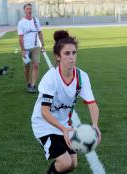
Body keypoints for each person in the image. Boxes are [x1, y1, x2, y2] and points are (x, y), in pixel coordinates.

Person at [31, 30, 101, 174]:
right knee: (65, 162)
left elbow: (92, 104)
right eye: (67, 53)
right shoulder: (51, 78)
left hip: (64, 125)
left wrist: (95, 125)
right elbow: (44, 112)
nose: (71, 57)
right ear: (58, 56)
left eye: (74, 53)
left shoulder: (82, 77)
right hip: (44, 124)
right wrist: (62, 130)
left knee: (73, 164)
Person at [17, 3, 45, 93]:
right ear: (24, 10)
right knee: (26, 67)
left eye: (30, 8)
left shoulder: (35, 20)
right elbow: (20, 38)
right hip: (26, 48)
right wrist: (23, 50)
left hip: (36, 47)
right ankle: (28, 82)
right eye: (27, 8)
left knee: (36, 65)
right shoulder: (21, 23)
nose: (29, 10)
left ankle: (33, 85)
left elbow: (40, 32)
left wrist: (42, 44)